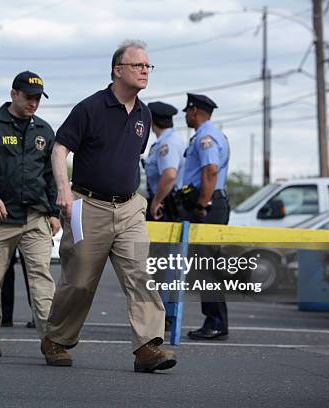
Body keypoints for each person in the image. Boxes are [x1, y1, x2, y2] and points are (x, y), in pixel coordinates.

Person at [42, 40, 177, 373]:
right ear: (118, 70)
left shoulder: (144, 113)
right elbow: (59, 150)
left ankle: (148, 347)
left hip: (130, 207)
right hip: (88, 205)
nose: (145, 70)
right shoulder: (89, 108)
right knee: (80, 280)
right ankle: (56, 339)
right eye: (138, 65)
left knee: (140, 274)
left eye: (148, 66)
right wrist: (63, 190)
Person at [0, 71, 59, 357]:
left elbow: (52, 175)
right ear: (13, 94)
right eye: (28, 97)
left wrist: (54, 212)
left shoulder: (44, 131)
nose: (33, 103)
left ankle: (52, 340)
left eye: (37, 99)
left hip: (35, 216)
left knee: (42, 277)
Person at [180, 93, 231, 341]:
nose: (186, 115)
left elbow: (210, 171)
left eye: (187, 111)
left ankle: (216, 321)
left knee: (206, 267)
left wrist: (202, 204)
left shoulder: (205, 137)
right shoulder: (210, 134)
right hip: (211, 203)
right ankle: (215, 320)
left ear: (195, 111)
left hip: (208, 205)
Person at [144, 101, 185, 221]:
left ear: (152, 120)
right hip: (164, 201)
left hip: (165, 204)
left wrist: (156, 201)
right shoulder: (170, 140)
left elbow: (169, 175)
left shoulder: (168, 143)